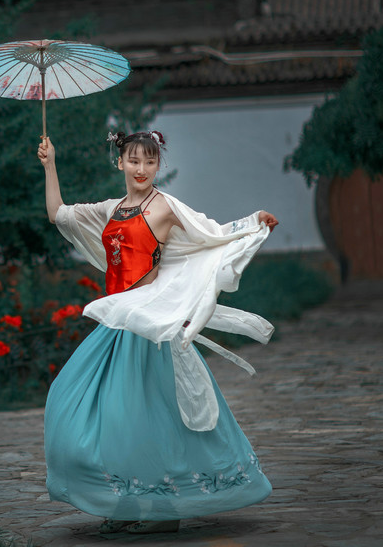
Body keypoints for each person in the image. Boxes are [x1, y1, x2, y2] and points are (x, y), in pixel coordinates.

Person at [37, 130, 278, 534]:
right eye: (134, 160)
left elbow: (211, 233)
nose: (142, 169)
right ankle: (128, 503)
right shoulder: (110, 210)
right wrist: (50, 165)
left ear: (157, 165)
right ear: (120, 163)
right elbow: (57, 213)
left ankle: (164, 510)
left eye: (150, 161)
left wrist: (253, 223)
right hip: (118, 324)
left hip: (151, 325)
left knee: (149, 419)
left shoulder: (164, 207)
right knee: (98, 412)